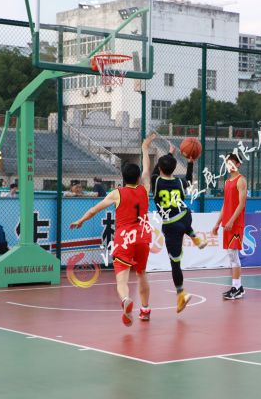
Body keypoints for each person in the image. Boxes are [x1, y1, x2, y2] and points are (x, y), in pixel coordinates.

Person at [70, 134, 156, 326]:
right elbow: (147, 169)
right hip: (142, 237)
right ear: (138, 178)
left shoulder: (117, 193)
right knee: (141, 274)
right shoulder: (145, 189)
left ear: (123, 178)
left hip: (124, 239)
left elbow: (94, 209)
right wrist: (144, 148)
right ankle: (145, 309)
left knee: (122, 279)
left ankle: (126, 300)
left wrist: (81, 220)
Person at [152, 143, 207, 313]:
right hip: (185, 216)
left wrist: (170, 154)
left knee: (175, 263)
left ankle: (181, 294)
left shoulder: (156, 181)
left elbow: (154, 172)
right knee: (184, 220)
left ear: (160, 168)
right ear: (174, 169)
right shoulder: (179, 182)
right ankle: (194, 236)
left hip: (171, 224)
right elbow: (189, 179)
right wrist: (190, 162)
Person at [212, 153, 247, 300]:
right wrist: (217, 223)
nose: (229, 165)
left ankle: (236, 287)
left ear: (238, 164)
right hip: (227, 223)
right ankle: (238, 287)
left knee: (233, 254)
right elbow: (225, 204)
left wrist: (232, 220)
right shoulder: (227, 182)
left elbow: (242, 204)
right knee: (231, 255)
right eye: (227, 163)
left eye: (232, 163)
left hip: (236, 223)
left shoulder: (241, 180)